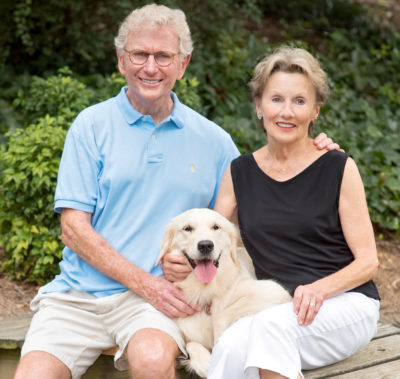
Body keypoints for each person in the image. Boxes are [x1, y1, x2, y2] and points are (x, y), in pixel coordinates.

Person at [14, 4, 339, 379]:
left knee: (153, 359)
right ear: (121, 61)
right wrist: (145, 282)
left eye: (164, 56)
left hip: (157, 302)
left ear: (182, 65)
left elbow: (265, 189)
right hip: (78, 295)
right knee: (32, 373)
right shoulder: (90, 126)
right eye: (140, 54)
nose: (151, 67)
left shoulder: (214, 141)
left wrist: (315, 155)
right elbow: (73, 228)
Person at [205, 47, 379, 378]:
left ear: (315, 110)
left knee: (271, 328)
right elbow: (214, 242)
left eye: (299, 101)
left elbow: (368, 262)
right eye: (276, 99)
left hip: (344, 303)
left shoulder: (338, 167)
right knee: (229, 346)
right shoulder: (238, 173)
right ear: (259, 105)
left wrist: (319, 289)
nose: (287, 112)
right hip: (277, 306)